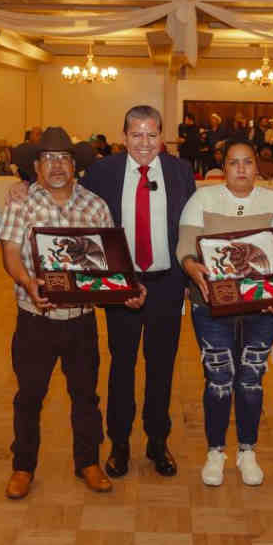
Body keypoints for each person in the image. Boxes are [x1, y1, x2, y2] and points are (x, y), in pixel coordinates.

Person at [0, 127, 139, 499]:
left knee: (85, 396)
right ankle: (23, 467)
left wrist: (126, 289)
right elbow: (10, 253)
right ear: (37, 167)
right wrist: (29, 282)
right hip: (34, 316)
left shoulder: (96, 206)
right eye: (48, 159)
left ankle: (88, 462)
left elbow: (109, 261)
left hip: (81, 319)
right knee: (29, 396)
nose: (56, 166)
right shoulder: (21, 202)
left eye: (63, 158)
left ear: (75, 165)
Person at [79, 105, 197, 479]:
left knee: (162, 368)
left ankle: (158, 443)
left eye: (151, 135)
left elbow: (192, 227)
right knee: (122, 367)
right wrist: (23, 187)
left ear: (162, 136)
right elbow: (78, 213)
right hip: (121, 286)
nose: (144, 143)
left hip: (167, 284)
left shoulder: (180, 172)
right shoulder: (103, 172)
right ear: (123, 136)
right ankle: (119, 444)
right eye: (136, 135)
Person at [177, 138, 273, 486]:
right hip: (211, 303)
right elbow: (186, 245)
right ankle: (215, 452)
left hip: (264, 305)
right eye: (233, 162)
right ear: (223, 167)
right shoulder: (203, 198)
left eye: (247, 162)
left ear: (258, 167)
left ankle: (247, 451)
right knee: (218, 379)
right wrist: (190, 266)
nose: (241, 169)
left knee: (250, 380)